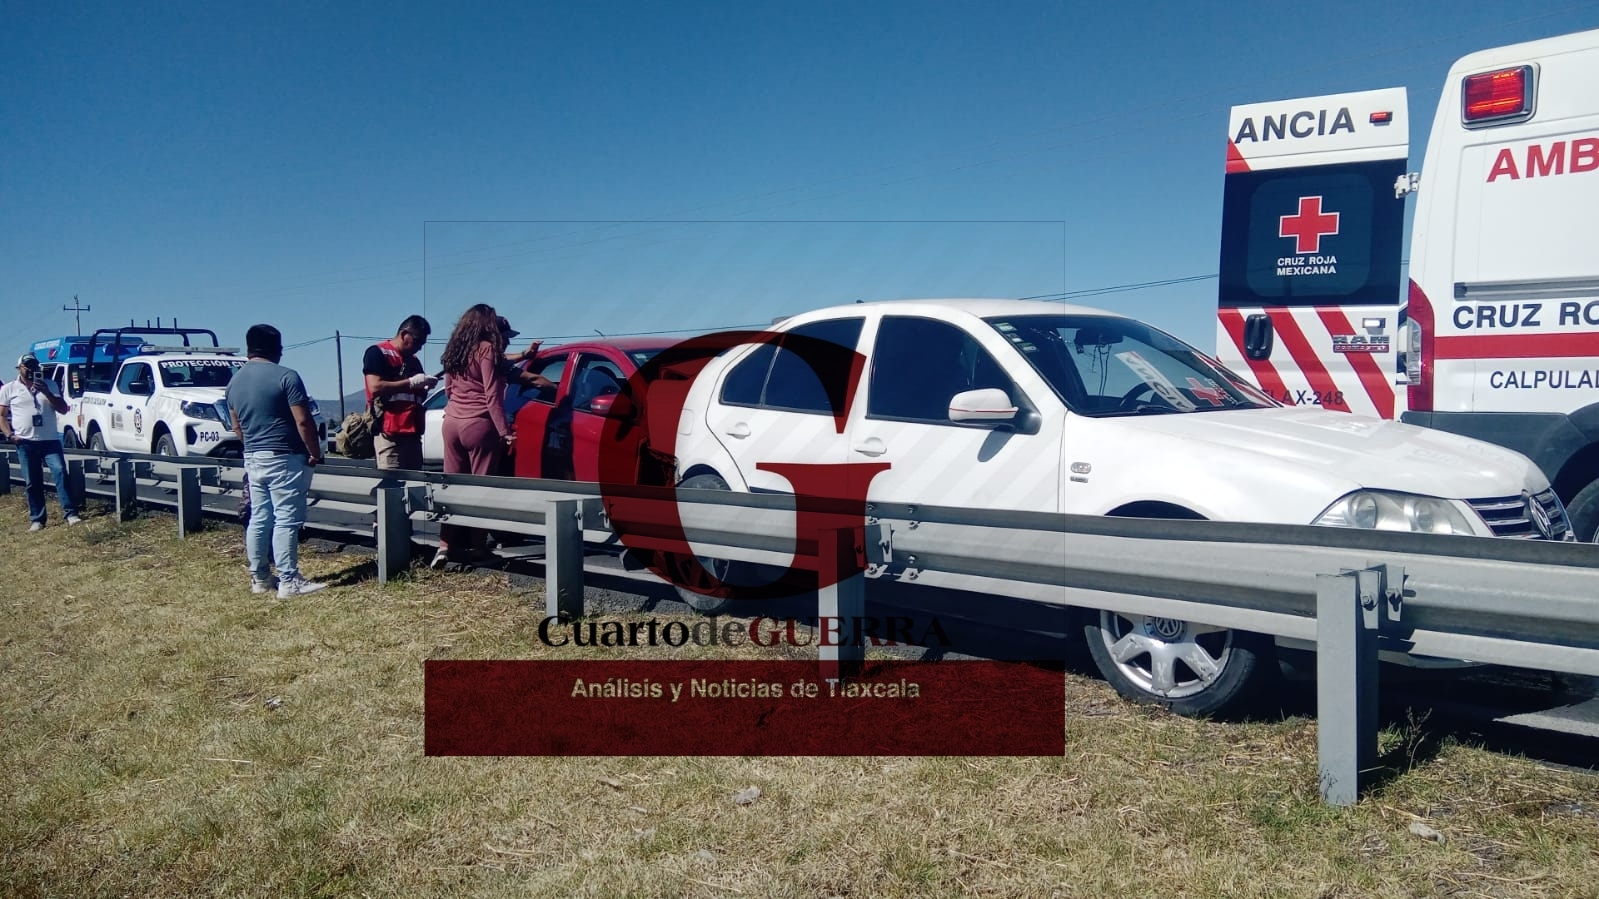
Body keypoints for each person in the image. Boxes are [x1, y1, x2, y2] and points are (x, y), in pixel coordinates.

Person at [226, 324, 328, 598]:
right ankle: (289, 581)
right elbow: (303, 420)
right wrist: (314, 451)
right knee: (286, 519)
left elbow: (237, 426)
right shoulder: (287, 377)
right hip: (285, 455)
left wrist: (251, 446)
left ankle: (259, 578)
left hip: (254, 456)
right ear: (277, 348)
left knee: (260, 517)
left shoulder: (234, 382)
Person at [433, 304, 514, 567]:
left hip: (451, 422)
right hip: (478, 423)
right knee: (481, 488)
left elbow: (447, 389)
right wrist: (505, 431)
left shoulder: (454, 351)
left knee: (451, 487)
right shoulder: (486, 349)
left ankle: (444, 546)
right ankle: (477, 546)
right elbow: (492, 395)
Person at [0, 353, 82, 531]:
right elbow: (2, 416)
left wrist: (46, 391)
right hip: (25, 441)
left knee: (60, 472)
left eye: (34, 366)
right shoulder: (9, 388)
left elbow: (63, 409)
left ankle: (71, 513)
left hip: (50, 440)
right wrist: (9, 435)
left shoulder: (50, 384)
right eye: (27, 366)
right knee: (32, 481)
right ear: (19, 368)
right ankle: (37, 518)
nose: (31, 370)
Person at [362, 315, 437, 470]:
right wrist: (411, 382)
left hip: (412, 433)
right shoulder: (378, 353)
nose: (419, 347)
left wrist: (424, 387)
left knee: (415, 485)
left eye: (422, 343)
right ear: (404, 335)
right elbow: (375, 387)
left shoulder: (414, 361)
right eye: (417, 341)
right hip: (389, 434)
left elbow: (413, 395)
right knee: (392, 485)